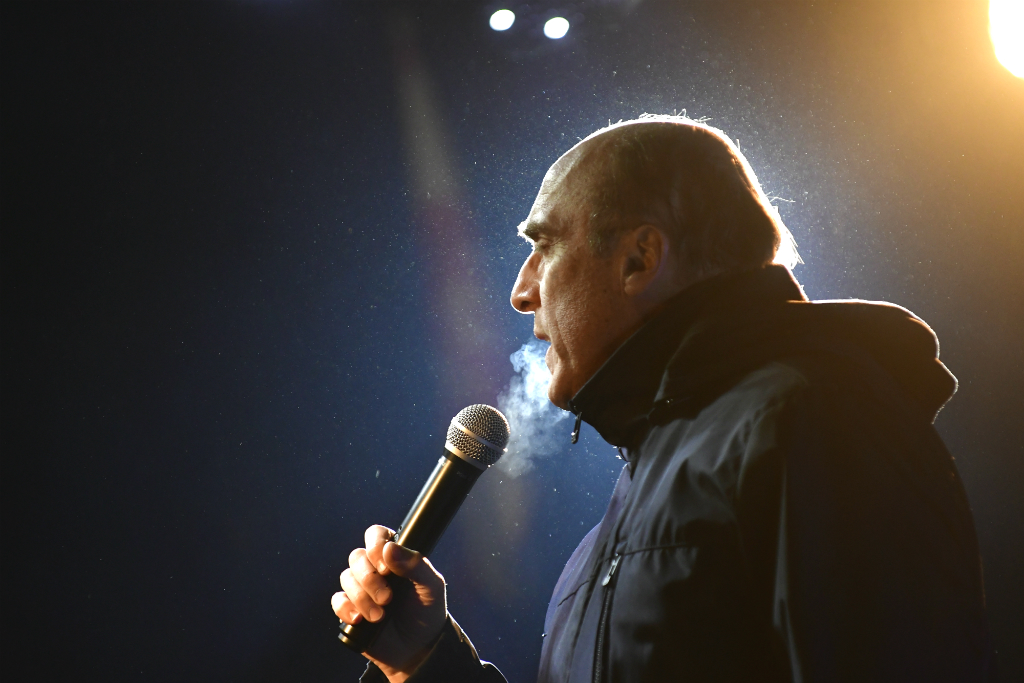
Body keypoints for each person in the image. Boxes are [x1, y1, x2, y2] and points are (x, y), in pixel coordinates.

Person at [331, 116, 994, 682]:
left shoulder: (813, 417)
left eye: (544, 245)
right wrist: (426, 659)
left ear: (639, 258)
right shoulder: (628, 514)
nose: (522, 292)